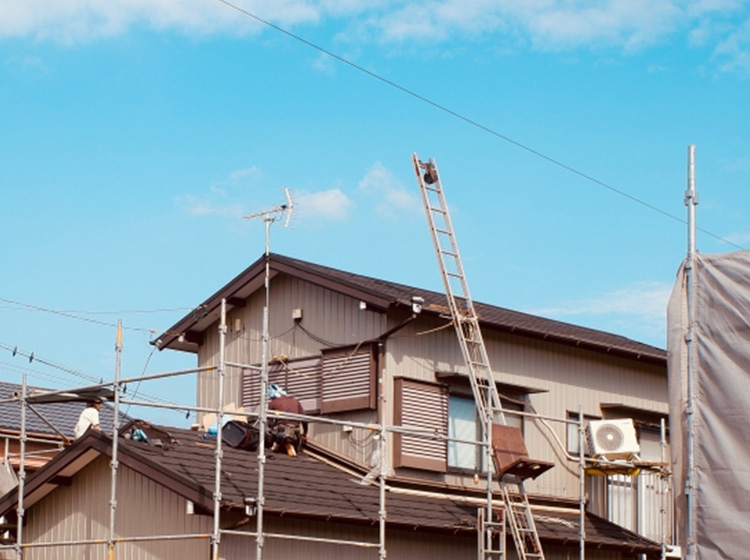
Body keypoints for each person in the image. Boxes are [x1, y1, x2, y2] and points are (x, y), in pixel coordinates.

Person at [267, 384, 307, 456]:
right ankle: (286, 442)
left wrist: (272, 429)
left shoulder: (272, 403)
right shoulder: (295, 401)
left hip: (281, 430)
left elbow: (269, 422)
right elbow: (304, 419)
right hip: (295, 431)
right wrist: (305, 433)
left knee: (271, 431)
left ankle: (279, 442)